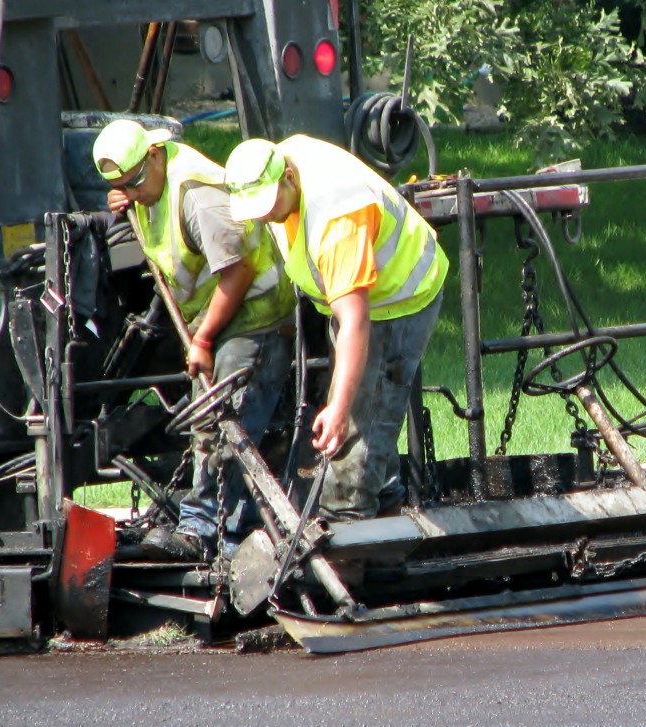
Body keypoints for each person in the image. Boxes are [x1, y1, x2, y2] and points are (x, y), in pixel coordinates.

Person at [91, 119, 296, 561]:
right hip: (222, 316)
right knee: (211, 423)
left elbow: (238, 270)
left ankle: (212, 533)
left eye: (136, 180)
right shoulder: (151, 184)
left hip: (254, 315)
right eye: (123, 184)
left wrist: (201, 339)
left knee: (226, 425)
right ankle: (213, 527)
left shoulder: (198, 196)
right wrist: (127, 196)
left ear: (156, 153)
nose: (134, 190)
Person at [223, 135, 447, 521]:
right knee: (367, 417)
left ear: (289, 178)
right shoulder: (273, 168)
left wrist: (340, 409)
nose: (264, 216)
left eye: (269, 205)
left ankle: (350, 541)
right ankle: (388, 525)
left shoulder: (337, 217)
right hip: (353, 301)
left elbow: (355, 321)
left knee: (354, 434)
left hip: (397, 300)